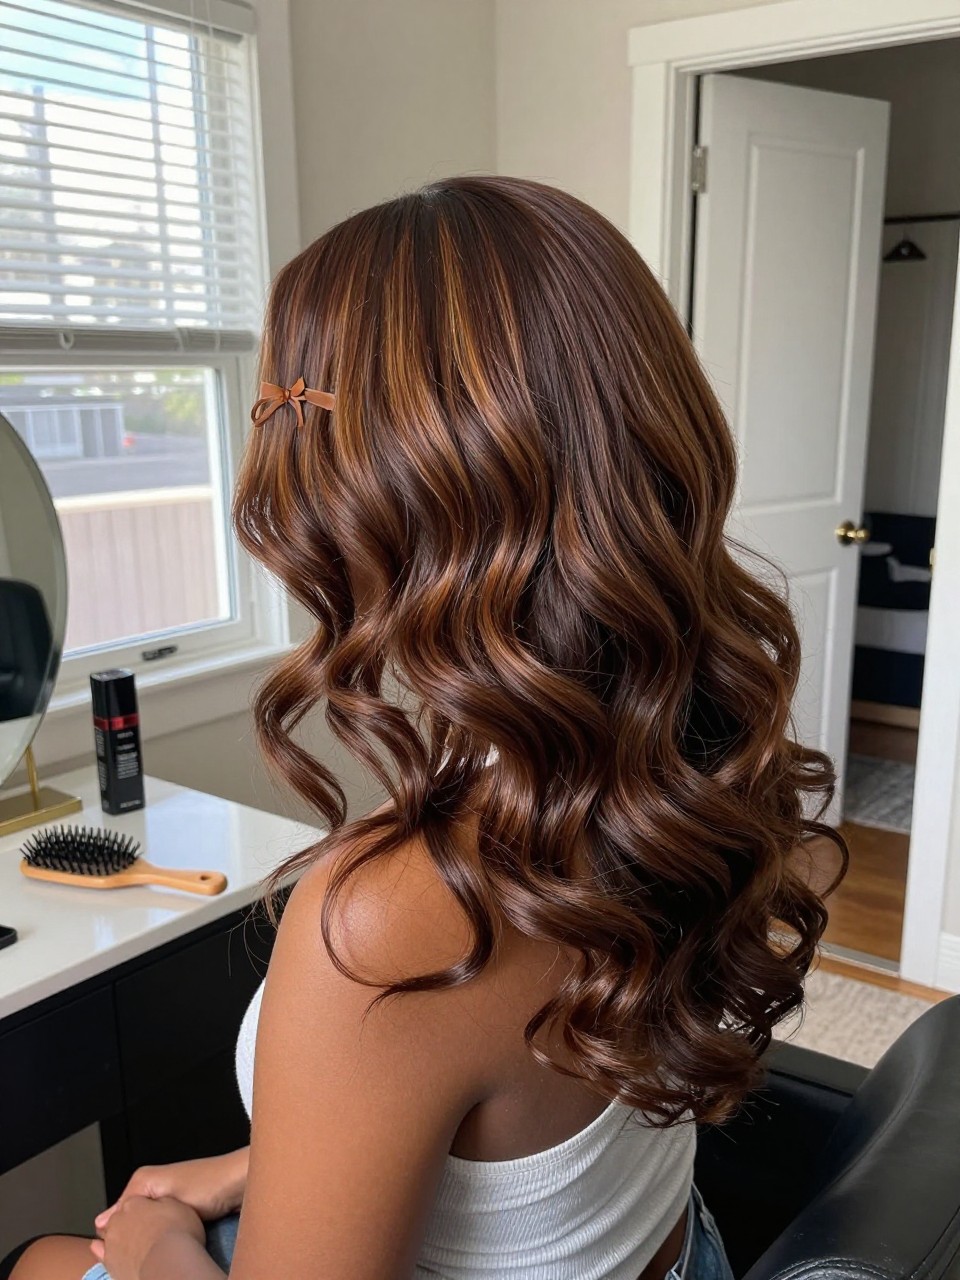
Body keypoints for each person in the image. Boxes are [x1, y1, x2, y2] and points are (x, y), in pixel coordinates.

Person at [6, 175, 845, 1280]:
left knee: (34, 1252)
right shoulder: (682, 758)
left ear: (376, 486)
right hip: (675, 1251)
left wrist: (162, 1238)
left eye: (285, 407)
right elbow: (506, 1137)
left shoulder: (392, 920)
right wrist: (261, 1165)